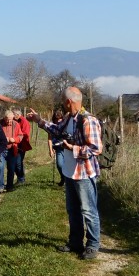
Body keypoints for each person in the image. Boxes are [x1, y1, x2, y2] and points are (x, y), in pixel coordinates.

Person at [26, 87, 103, 260]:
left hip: (84, 173)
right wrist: (39, 120)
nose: (62, 103)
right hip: (70, 172)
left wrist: (72, 148)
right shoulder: (69, 118)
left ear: (69, 102)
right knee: (73, 209)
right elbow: (56, 130)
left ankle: (92, 245)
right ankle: (75, 242)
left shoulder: (88, 120)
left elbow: (96, 149)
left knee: (88, 210)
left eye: (63, 100)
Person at [8, 108, 32, 188]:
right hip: (14, 145)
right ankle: (20, 178)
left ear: (17, 115)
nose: (12, 117)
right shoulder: (14, 121)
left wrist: (16, 138)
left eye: (13, 115)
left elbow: (25, 134)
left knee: (18, 163)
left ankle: (21, 179)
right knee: (15, 163)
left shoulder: (24, 122)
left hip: (21, 145)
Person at [47, 107, 65, 187]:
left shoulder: (65, 125)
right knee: (59, 164)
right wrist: (50, 150)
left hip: (68, 148)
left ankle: (67, 180)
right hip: (58, 148)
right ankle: (63, 177)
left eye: (60, 119)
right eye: (56, 119)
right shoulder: (52, 127)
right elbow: (49, 139)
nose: (58, 121)